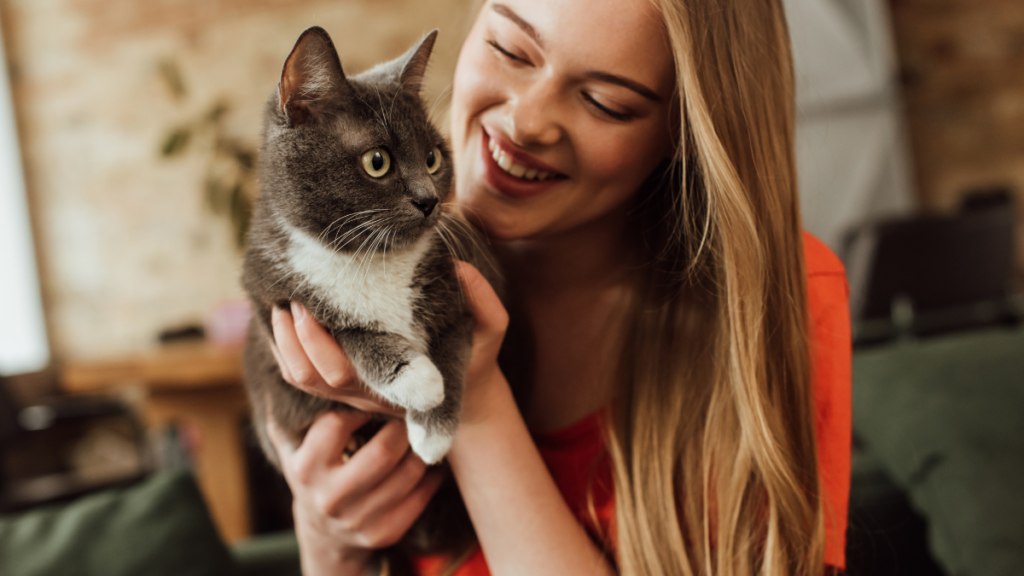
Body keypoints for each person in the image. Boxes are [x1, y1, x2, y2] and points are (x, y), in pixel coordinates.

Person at [264, 0, 852, 574]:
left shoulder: (782, 299)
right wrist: (328, 545)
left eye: (605, 102)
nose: (526, 122)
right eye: (509, 49)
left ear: (687, 132)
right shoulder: (348, 282)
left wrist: (473, 398)